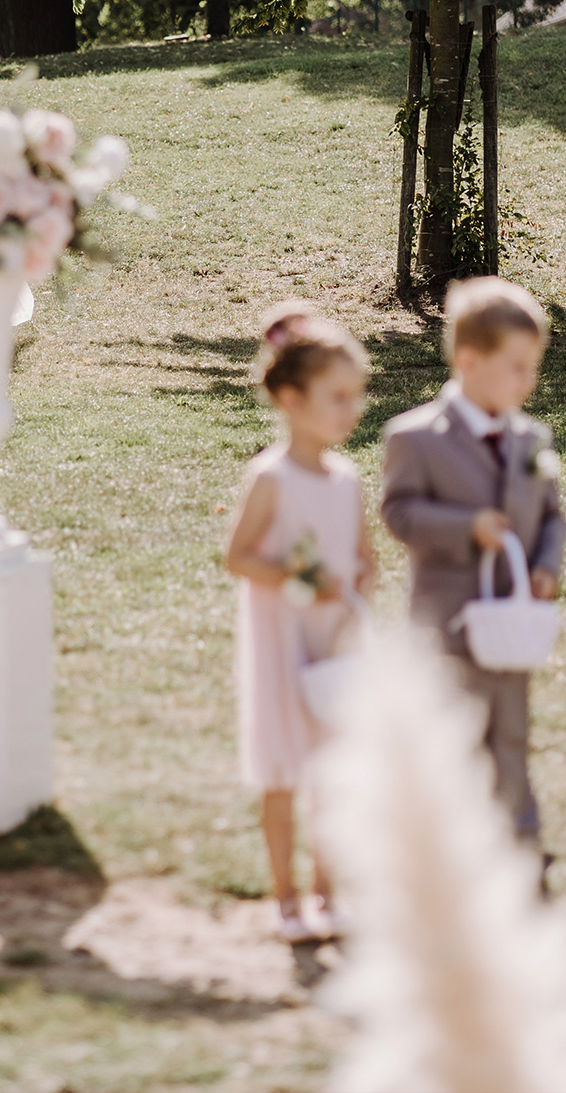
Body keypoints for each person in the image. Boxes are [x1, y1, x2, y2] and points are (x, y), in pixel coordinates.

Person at [380, 276, 566, 851]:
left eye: (533, 365)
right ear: (468, 360)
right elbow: (400, 513)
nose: (528, 379)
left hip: (513, 620)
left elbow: (553, 515)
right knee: (453, 732)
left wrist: (545, 565)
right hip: (449, 621)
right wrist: (468, 527)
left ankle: (520, 838)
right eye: (515, 365)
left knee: (511, 729)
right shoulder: (415, 438)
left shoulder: (531, 438)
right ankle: (445, 847)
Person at [224, 302, 377, 944]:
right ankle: (286, 899)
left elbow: (366, 559)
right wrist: (298, 577)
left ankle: (328, 891)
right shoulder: (271, 478)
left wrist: (356, 589)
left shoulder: (347, 480)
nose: (351, 410)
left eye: (355, 397)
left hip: (334, 641)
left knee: (336, 771)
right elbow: (238, 557)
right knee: (285, 769)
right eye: (336, 397)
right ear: (290, 398)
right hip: (283, 639)